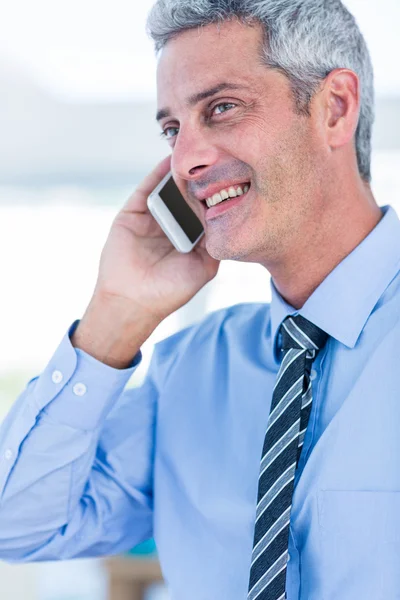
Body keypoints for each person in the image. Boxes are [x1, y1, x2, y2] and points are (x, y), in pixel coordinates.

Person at [0, 0, 399, 598]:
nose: (186, 160)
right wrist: (114, 317)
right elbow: (18, 526)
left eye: (222, 108)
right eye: (172, 129)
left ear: (334, 108)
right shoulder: (189, 372)